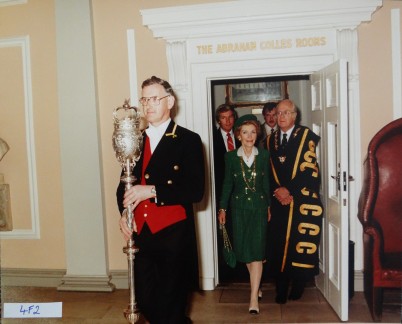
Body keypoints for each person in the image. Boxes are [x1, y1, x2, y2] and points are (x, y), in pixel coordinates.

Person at [116, 76, 205, 324]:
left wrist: (152, 191)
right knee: (146, 303)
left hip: (173, 237)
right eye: (145, 99)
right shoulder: (135, 140)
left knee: (171, 308)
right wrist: (124, 214)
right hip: (142, 236)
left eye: (155, 99)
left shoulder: (188, 140)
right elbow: (122, 186)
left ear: (170, 101)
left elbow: (195, 190)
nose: (148, 105)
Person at [266, 99, 323, 304]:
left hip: (300, 199)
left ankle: (298, 285)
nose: (280, 117)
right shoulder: (269, 140)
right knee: (279, 244)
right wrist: (277, 191)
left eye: (285, 113)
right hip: (278, 201)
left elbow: (309, 171)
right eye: (278, 113)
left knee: (299, 244)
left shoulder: (306, 136)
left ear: (294, 115)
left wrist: (288, 190)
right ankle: (280, 288)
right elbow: (267, 172)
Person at [218, 114, 271, 315]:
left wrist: (268, 206)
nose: (249, 136)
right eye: (245, 132)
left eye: (253, 132)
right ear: (238, 135)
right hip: (238, 209)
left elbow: (266, 184)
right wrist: (222, 208)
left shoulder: (264, 156)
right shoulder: (230, 157)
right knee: (245, 252)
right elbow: (227, 185)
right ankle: (256, 286)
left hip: (258, 208)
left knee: (256, 251)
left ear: (257, 135)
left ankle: (253, 297)